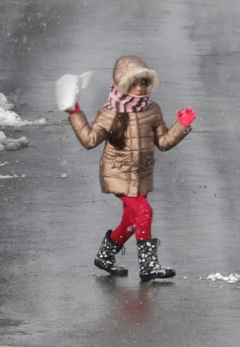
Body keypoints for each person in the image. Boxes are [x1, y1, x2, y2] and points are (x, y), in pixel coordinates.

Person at [67, 56, 195, 281]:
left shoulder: (152, 110)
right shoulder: (110, 112)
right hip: (117, 173)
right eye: (133, 83)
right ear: (121, 85)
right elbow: (89, 140)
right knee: (144, 212)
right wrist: (75, 113)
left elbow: (163, 142)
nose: (139, 88)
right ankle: (148, 266)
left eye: (143, 83)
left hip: (142, 173)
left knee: (131, 220)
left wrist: (181, 126)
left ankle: (105, 256)